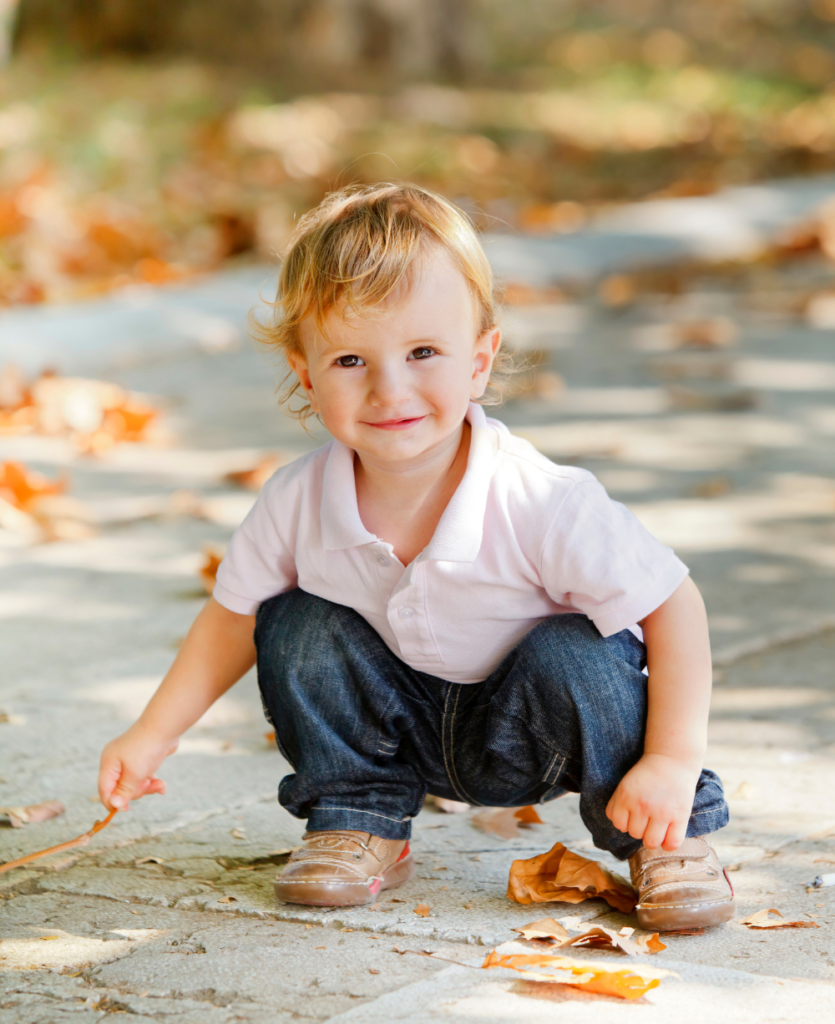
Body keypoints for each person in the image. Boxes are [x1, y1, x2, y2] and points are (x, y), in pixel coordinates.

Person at [98, 183, 734, 931]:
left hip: (534, 723)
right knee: (297, 622)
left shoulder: (537, 499)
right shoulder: (296, 501)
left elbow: (672, 603)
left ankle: (665, 835)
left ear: (479, 359)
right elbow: (229, 620)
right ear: (305, 374)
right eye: (348, 360)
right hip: (398, 728)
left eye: (423, 352)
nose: (388, 387)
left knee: (579, 653)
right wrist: (151, 734)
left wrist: (670, 760)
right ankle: (358, 816)